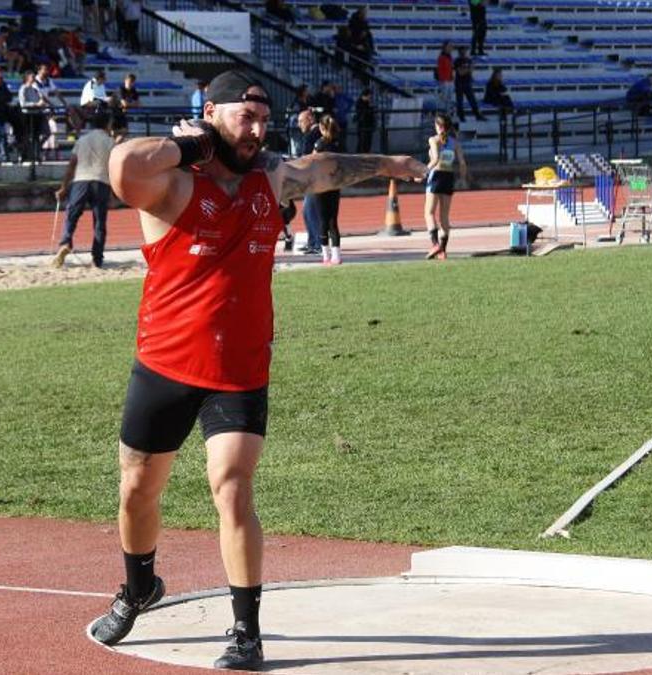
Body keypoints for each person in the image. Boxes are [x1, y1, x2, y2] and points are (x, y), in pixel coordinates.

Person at [90, 69, 426, 671]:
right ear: (211, 112)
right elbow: (121, 167)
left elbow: (323, 168)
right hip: (164, 362)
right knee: (138, 489)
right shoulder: (171, 183)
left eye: (264, 118)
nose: (258, 128)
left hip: (239, 366)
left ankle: (247, 631)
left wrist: (389, 162)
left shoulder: (269, 177)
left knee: (232, 486)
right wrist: (193, 145)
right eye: (245, 116)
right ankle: (138, 585)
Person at [52, 110, 115, 268]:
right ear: (107, 124)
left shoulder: (83, 140)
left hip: (81, 180)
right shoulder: (110, 142)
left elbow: (72, 164)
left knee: (71, 215)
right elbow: (114, 167)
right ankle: (97, 258)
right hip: (101, 181)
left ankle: (65, 242)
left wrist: (63, 187)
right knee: (99, 222)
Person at [423, 112, 468, 261]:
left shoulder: (433, 140)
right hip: (449, 178)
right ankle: (443, 250)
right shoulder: (455, 143)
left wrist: (421, 172)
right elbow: (462, 163)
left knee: (429, 213)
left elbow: (435, 159)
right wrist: (462, 179)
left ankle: (435, 244)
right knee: (444, 217)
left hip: (436, 177)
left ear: (438, 126)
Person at [314, 115, 344, 265]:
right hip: (335, 184)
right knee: (333, 220)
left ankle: (326, 256)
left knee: (322, 220)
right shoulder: (338, 143)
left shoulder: (320, 144)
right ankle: (337, 255)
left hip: (321, 185)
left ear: (322, 128)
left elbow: (312, 162)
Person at [297, 107, 322, 256]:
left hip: (314, 179)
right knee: (308, 211)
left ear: (310, 119)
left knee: (311, 211)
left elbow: (309, 157)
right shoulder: (313, 134)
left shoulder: (314, 134)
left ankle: (317, 243)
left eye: (301, 121)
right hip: (311, 178)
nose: (299, 124)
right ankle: (313, 242)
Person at [454, 46, 485, 122]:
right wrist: (468, 69)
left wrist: (468, 70)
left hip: (467, 83)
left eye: (465, 51)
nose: (464, 52)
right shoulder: (457, 61)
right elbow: (460, 72)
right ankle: (461, 117)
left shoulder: (469, 60)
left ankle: (477, 115)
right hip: (459, 84)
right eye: (463, 51)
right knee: (460, 102)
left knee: (472, 100)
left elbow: (470, 71)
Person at [435, 41, 455, 116]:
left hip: (450, 79)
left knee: (449, 97)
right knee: (444, 97)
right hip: (444, 80)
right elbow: (440, 69)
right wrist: (442, 79)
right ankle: (441, 112)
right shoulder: (442, 57)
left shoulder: (449, 57)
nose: (450, 48)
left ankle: (447, 112)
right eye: (449, 46)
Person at [355, 88, 375, 153]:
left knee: (368, 141)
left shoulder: (368, 103)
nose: (370, 97)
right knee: (362, 141)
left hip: (369, 124)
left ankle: (367, 152)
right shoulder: (359, 102)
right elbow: (362, 113)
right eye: (369, 96)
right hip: (363, 124)